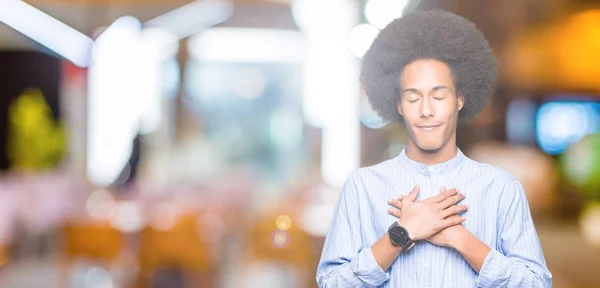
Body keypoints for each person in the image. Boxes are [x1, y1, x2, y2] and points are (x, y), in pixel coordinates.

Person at [316, 9, 552, 288]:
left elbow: (537, 284)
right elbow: (331, 283)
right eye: (413, 98)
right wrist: (400, 234)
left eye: (438, 96)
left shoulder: (501, 188)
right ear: (399, 105)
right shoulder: (362, 187)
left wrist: (460, 238)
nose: (426, 110)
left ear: (460, 99)